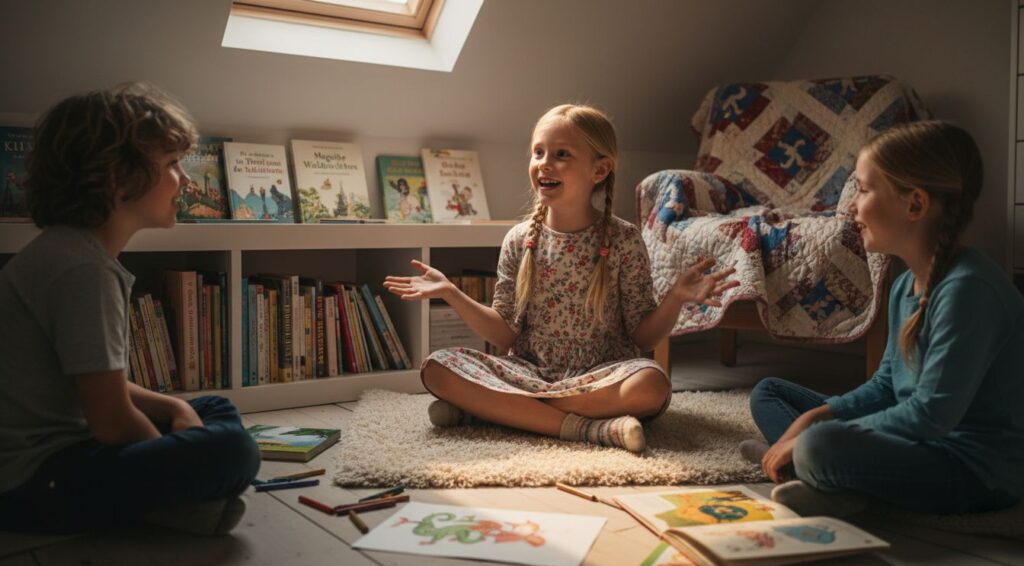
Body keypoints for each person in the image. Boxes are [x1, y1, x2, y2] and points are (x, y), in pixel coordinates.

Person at [384, 104, 737, 453]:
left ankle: (495, 412)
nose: (544, 163)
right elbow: (504, 333)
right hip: (528, 372)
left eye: (561, 154)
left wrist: (675, 298)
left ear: (599, 170)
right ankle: (585, 429)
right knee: (437, 369)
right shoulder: (519, 241)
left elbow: (642, 336)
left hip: (603, 375)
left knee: (652, 385)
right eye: (538, 152)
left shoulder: (624, 240)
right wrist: (451, 293)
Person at [0, 84, 260, 534]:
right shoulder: (82, 271)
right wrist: (171, 458)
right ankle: (173, 505)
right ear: (117, 178)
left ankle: (173, 502)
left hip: (63, 451)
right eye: (172, 165)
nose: (186, 180)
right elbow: (111, 420)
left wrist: (172, 413)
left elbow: (101, 384)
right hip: (35, 482)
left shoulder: (74, 253)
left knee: (213, 406)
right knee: (235, 451)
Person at [743, 121, 1024, 517]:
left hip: (971, 469)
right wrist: (817, 416)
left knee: (818, 445)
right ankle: (815, 473)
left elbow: (931, 416)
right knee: (770, 394)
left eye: (863, 189)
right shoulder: (904, 284)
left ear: (915, 205)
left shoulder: (969, 290)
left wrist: (820, 435)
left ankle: (823, 477)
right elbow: (886, 386)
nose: (852, 206)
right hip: (918, 441)